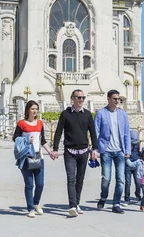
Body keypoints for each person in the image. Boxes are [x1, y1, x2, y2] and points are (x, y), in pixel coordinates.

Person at [52, 89, 98, 217]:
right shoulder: (65, 114)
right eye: (78, 98)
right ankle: (72, 205)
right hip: (70, 152)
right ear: (73, 98)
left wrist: (95, 148)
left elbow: (93, 132)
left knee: (80, 179)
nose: (81, 100)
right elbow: (58, 131)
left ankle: (77, 203)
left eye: (83, 97)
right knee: (71, 178)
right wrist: (55, 149)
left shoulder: (88, 115)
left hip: (84, 152)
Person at [13, 100, 56, 218]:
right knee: (29, 185)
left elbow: (42, 140)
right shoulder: (21, 124)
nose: (35, 111)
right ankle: (30, 208)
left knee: (40, 184)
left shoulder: (40, 123)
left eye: (36, 108)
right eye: (32, 108)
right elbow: (15, 139)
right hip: (26, 157)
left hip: (38, 156)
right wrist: (27, 140)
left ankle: (36, 203)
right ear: (27, 110)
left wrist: (50, 152)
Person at [94, 89, 131, 214]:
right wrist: (95, 149)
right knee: (106, 178)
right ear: (109, 99)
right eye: (115, 99)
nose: (117, 101)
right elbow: (96, 132)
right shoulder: (101, 113)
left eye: (118, 99)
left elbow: (126, 133)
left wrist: (128, 150)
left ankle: (116, 203)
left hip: (120, 150)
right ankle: (103, 197)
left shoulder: (123, 114)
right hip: (106, 151)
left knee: (121, 179)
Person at [124, 129, 142, 203]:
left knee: (138, 182)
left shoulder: (138, 145)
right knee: (128, 182)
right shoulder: (126, 145)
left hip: (136, 164)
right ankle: (127, 197)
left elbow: (141, 153)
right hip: (127, 164)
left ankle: (138, 194)